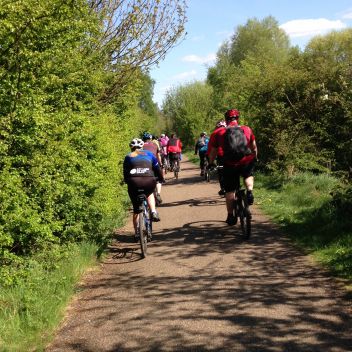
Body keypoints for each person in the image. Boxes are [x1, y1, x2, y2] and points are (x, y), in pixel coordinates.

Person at [208, 109, 258, 225]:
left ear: (226, 120)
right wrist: (255, 157)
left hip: (230, 164)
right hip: (245, 160)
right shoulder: (246, 129)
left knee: (230, 190)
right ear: (238, 118)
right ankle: (249, 191)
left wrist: (211, 163)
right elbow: (253, 147)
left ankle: (231, 216)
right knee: (248, 175)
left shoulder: (219, 132)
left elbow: (213, 151)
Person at [123, 138, 164, 238]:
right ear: (142, 146)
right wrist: (161, 178)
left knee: (136, 209)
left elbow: (125, 172)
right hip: (148, 181)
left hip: (134, 183)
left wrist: (127, 180)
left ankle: (137, 233)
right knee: (149, 193)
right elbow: (157, 169)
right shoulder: (149, 154)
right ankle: (153, 212)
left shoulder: (128, 156)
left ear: (131, 147)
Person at [142, 132, 163, 204]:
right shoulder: (154, 144)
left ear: (143, 139)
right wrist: (160, 164)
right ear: (150, 139)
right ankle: (158, 193)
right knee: (159, 180)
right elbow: (158, 156)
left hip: (143, 166)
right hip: (154, 164)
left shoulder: (140, 146)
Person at [207, 120, 227, 195]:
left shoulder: (215, 133)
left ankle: (223, 189)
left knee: (221, 172)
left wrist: (210, 162)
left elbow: (211, 148)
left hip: (220, 155)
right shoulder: (232, 129)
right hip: (233, 154)